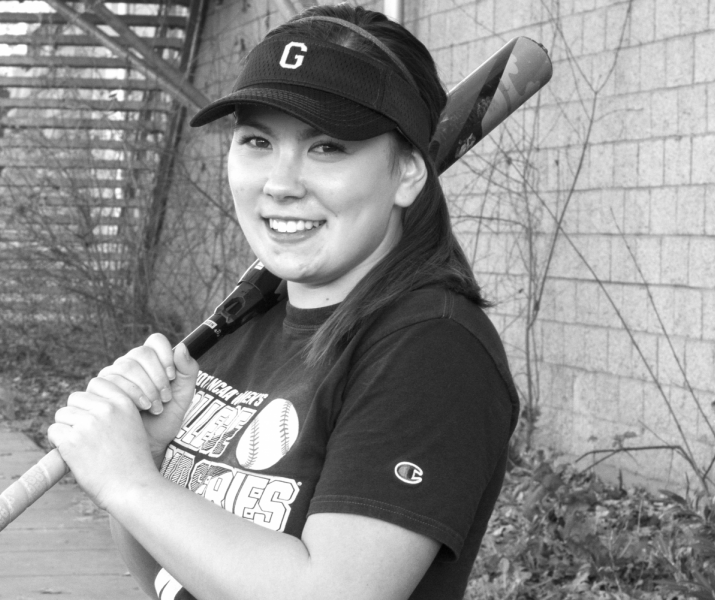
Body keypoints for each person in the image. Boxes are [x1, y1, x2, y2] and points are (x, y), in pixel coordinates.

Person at [47, 4, 519, 599]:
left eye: (326, 147)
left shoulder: (431, 351)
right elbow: (172, 582)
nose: (280, 183)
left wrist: (132, 484)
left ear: (407, 172)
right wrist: (148, 455)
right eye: (256, 141)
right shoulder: (243, 331)